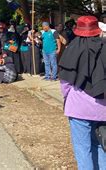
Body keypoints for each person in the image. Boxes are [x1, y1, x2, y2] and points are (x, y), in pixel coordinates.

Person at [58, 16, 106, 169]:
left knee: (82, 149)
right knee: (101, 145)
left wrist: (67, 99)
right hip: (102, 107)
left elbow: (65, 82)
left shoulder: (72, 49)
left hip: (78, 108)